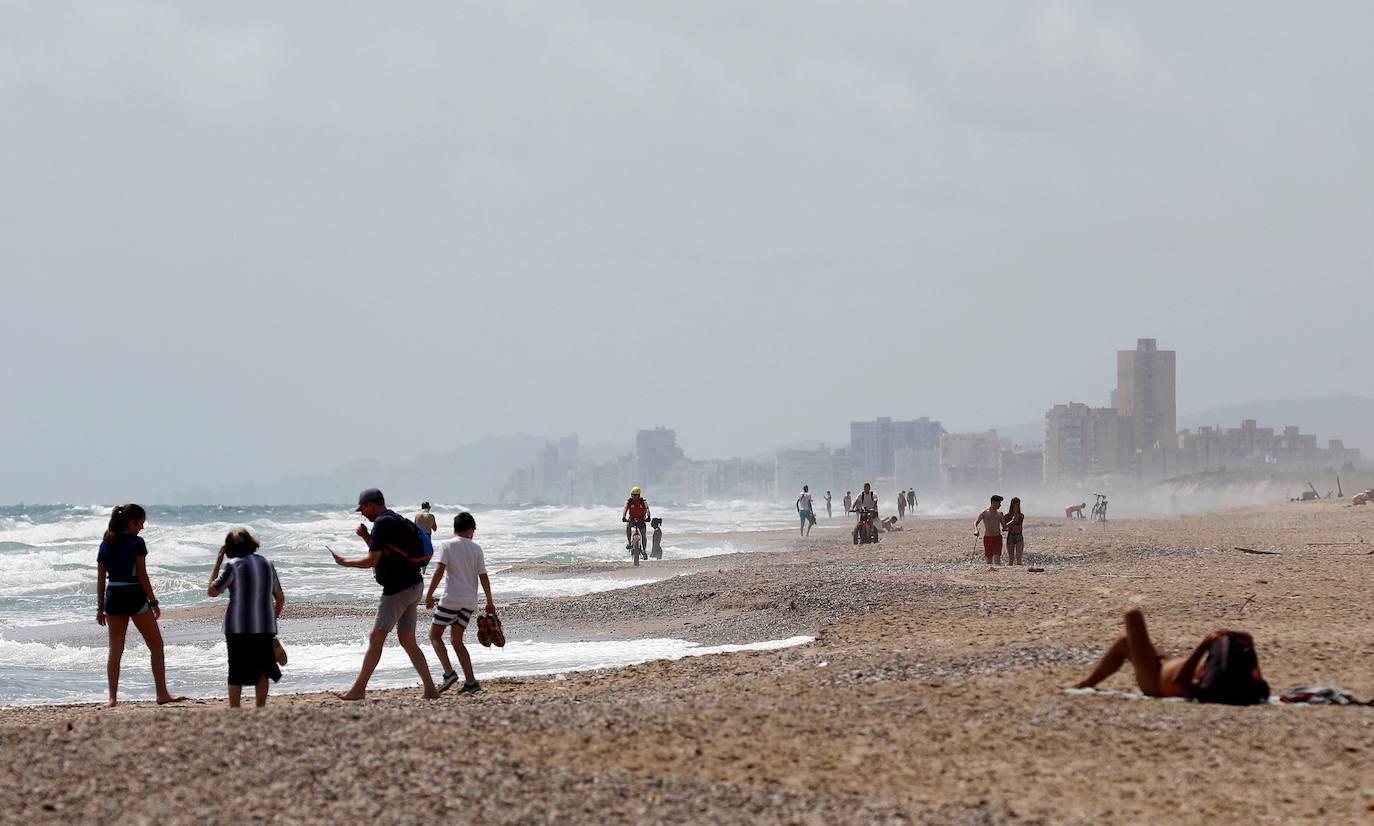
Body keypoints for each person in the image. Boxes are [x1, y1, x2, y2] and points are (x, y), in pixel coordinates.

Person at [331, 488, 440, 701]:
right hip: (414, 585)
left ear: (371, 504)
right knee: (408, 640)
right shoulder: (395, 519)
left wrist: (345, 562)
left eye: (362, 508)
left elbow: (372, 560)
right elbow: (385, 554)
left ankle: (358, 690)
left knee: (376, 636)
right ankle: (430, 689)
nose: (362, 513)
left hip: (397, 589)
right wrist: (366, 537)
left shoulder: (382, 523)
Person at [1069, 608, 1270, 705]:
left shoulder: (1212, 686)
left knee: (1133, 616)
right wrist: (1234, 638)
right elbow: (1249, 642)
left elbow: (1179, 681)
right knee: (1124, 642)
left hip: (1155, 681)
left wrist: (1203, 646)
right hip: (1166, 663)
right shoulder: (1249, 679)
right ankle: (1088, 682)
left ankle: (1087, 682)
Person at [95, 504, 187, 708]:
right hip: (134, 596)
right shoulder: (137, 543)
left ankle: (112, 698)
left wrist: (100, 608)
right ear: (132, 522)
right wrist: (153, 602)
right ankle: (162, 693)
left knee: (115, 649)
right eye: (141, 523)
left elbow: (101, 579)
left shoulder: (106, 542)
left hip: (113, 597)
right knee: (156, 646)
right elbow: (142, 575)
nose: (142, 527)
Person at [207, 528, 285, 708]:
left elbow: (212, 591)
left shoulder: (233, 565)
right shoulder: (267, 563)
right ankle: (260, 708)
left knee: (236, 669)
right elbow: (279, 598)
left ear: (229, 548)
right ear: (251, 543)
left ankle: (235, 709)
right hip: (265, 626)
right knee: (262, 669)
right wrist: (272, 620)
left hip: (237, 628)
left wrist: (218, 562)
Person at [424, 512, 494, 694]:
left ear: (455, 528)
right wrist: (489, 601)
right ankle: (471, 681)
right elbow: (484, 577)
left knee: (434, 636)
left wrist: (429, 594)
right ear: (470, 529)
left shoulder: (447, 545)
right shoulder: (476, 549)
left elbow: (439, 571)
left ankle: (448, 673)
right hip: (469, 602)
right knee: (457, 641)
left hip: (451, 599)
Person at [974, 495, 1005, 566]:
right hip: (987, 538)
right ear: (993, 502)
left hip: (997, 538)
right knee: (989, 562)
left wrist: (1012, 521)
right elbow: (976, 522)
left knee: (997, 560)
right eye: (999, 503)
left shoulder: (1000, 514)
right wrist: (976, 530)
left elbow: (1004, 526)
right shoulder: (984, 513)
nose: (1000, 505)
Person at [1004, 497, 1025, 566]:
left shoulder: (1021, 515)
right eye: (1016, 504)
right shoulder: (1007, 516)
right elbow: (1005, 527)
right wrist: (1012, 521)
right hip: (1011, 535)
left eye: (1018, 504)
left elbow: (1019, 525)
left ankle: (1020, 571)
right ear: (1012, 505)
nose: (1017, 506)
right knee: (1011, 559)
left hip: (1019, 535)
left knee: (1019, 558)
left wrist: (1016, 520)